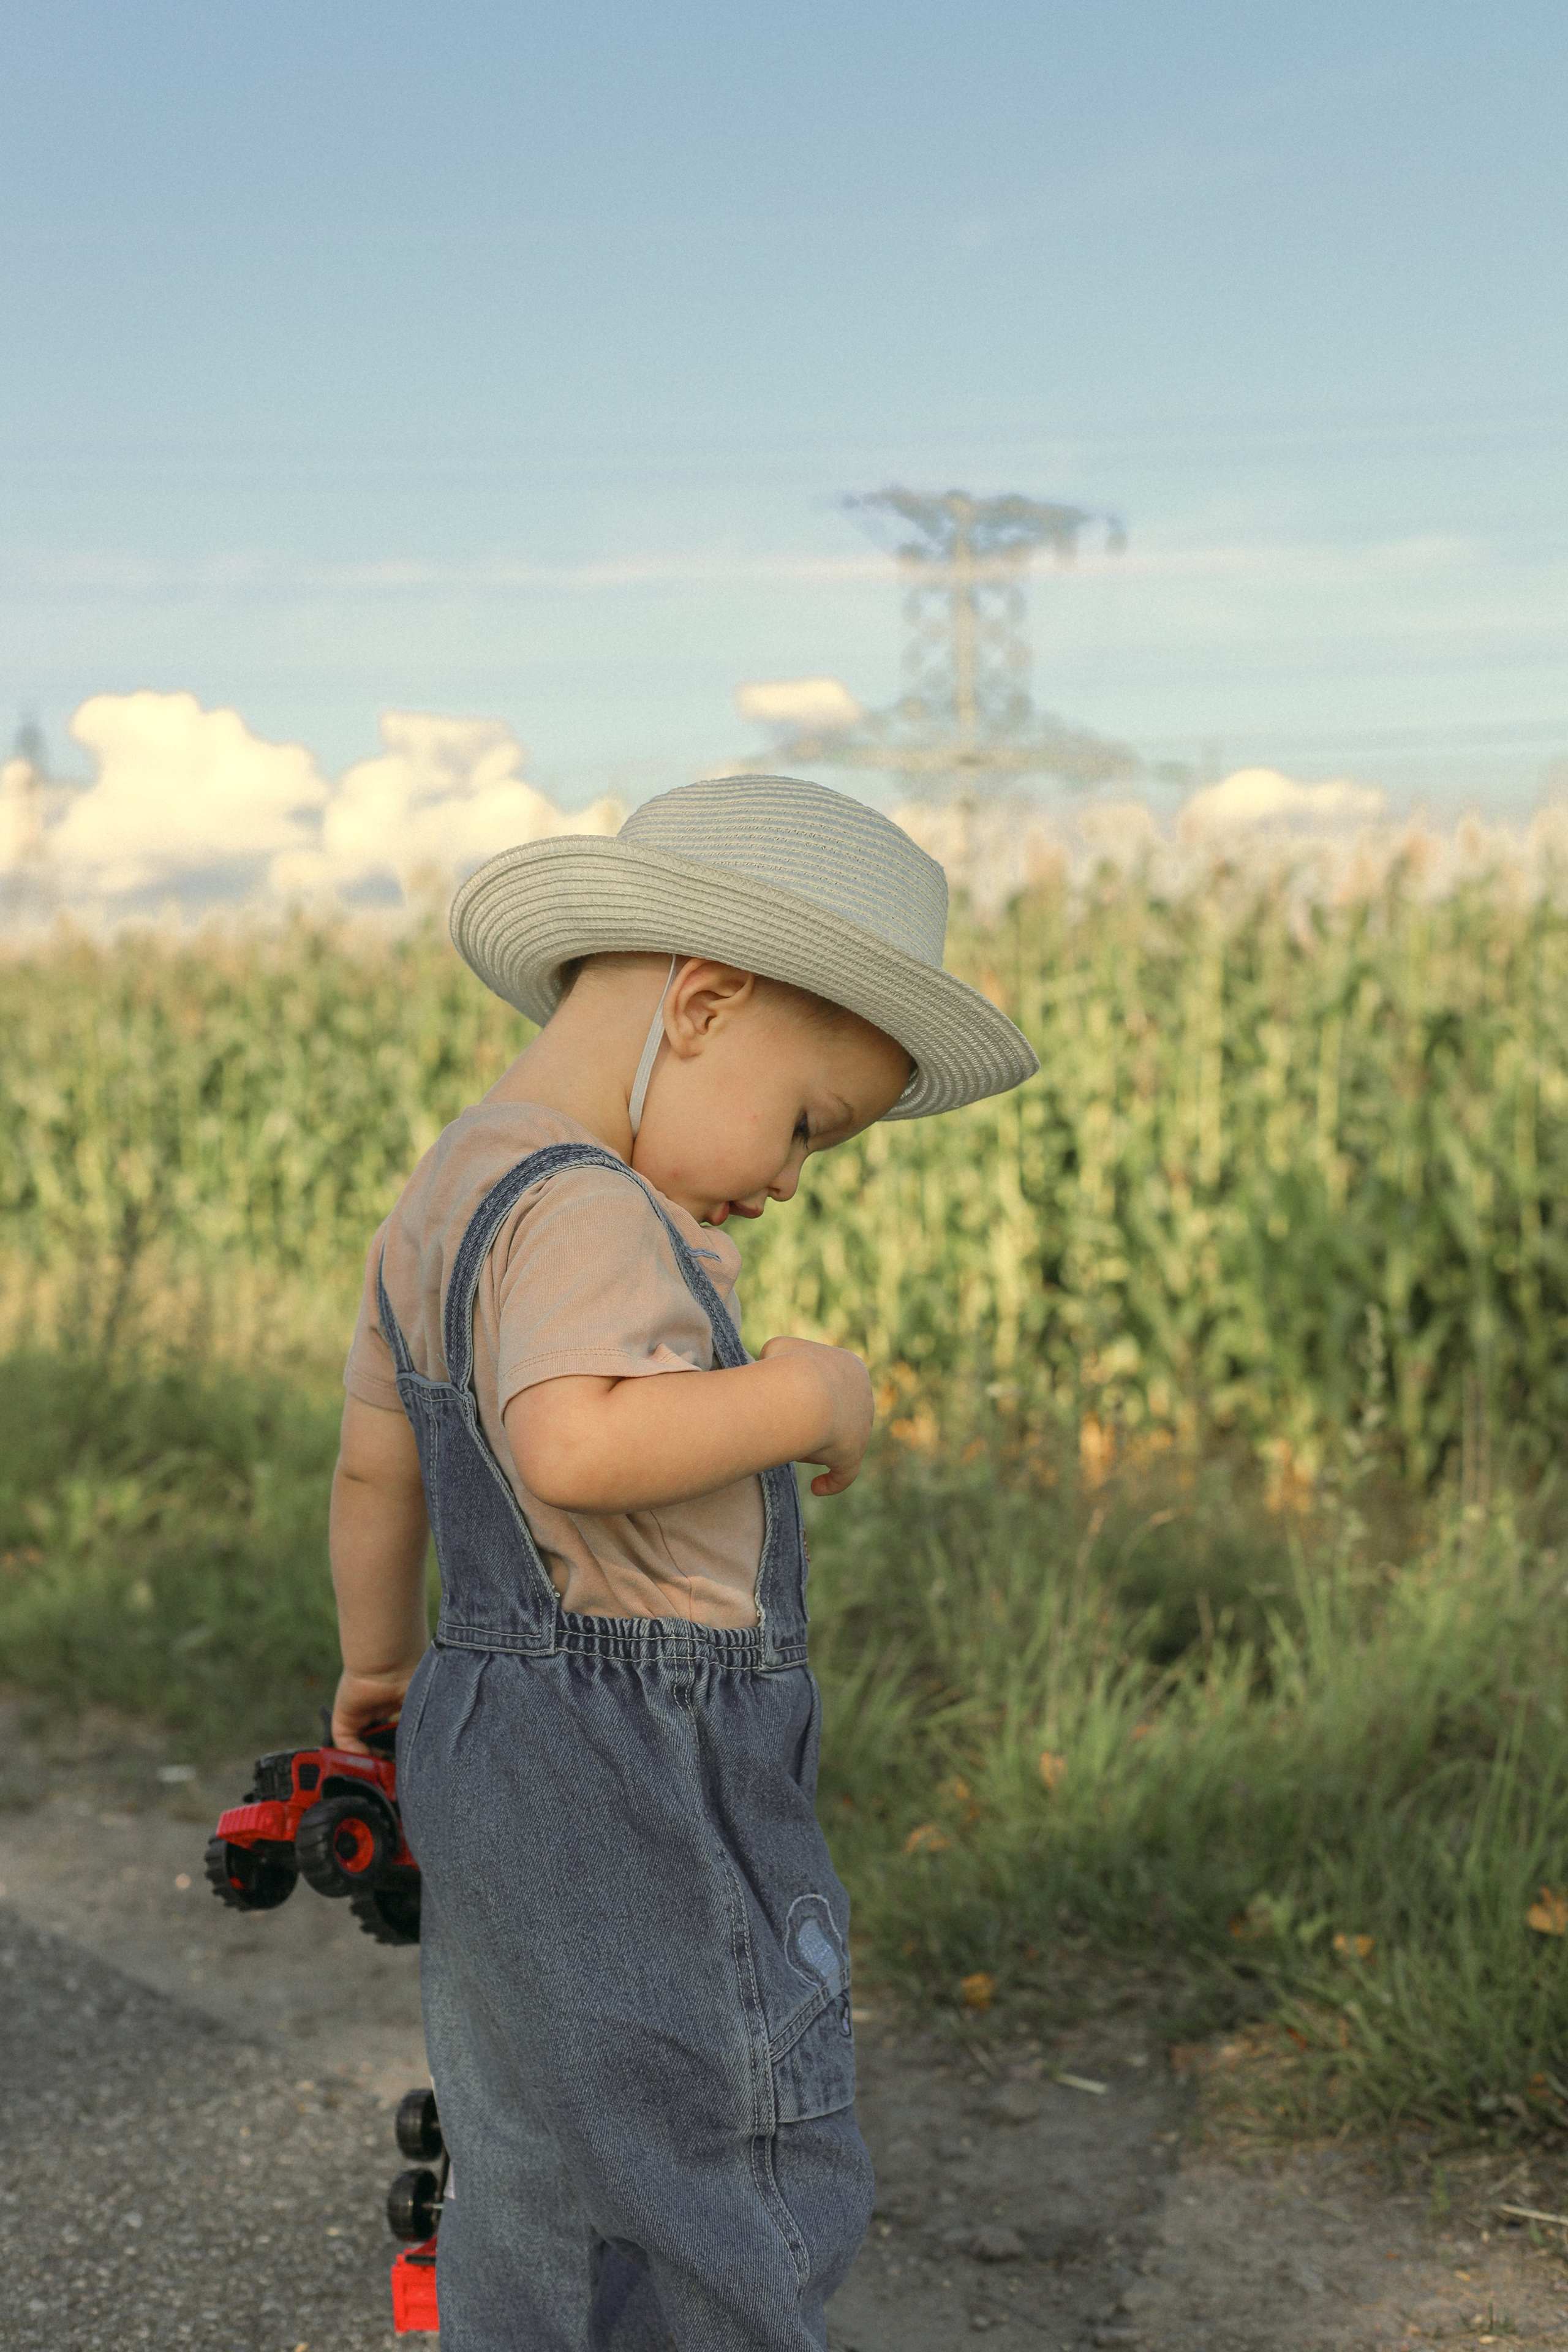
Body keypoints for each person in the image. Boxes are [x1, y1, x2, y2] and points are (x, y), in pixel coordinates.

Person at [327, 774, 1038, 2350]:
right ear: (702, 1002)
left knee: (537, 2150)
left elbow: (377, 1463)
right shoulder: (585, 1205)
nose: (790, 1179)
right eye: (807, 1126)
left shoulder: (443, 1196)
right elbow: (571, 1448)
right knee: (724, 2128)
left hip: (486, 1726)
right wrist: (803, 1392)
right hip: (640, 1750)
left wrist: (379, 1664)